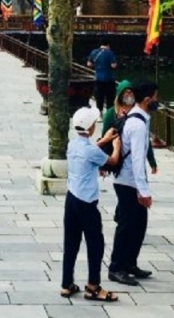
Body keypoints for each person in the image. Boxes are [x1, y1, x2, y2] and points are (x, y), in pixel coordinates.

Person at [60, 107, 119, 303]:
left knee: (71, 242)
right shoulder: (92, 150)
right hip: (87, 202)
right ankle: (93, 286)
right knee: (95, 243)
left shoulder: (72, 145)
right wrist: (116, 144)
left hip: (71, 199)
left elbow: (90, 154)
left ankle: (66, 283)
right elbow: (111, 160)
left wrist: (103, 141)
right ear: (92, 127)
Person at [106, 81, 160, 286]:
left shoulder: (140, 118)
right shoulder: (137, 124)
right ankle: (116, 267)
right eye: (155, 98)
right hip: (128, 181)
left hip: (131, 181)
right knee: (127, 225)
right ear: (147, 100)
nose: (157, 101)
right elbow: (137, 160)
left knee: (139, 225)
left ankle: (130, 263)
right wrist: (143, 191)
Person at [102, 81, 157, 175]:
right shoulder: (111, 114)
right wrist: (103, 164)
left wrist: (152, 162)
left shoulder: (139, 113)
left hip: (136, 154)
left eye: (131, 92)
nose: (129, 94)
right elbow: (104, 138)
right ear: (120, 95)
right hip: (119, 155)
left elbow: (146, 138)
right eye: (126, 92)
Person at [87, 39, 118, 112]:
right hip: (109, 78)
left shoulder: (94, 52)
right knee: (110, 98)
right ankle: (109, 113)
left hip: (98, 78)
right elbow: (113, 65)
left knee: (99, 97)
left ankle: (99, 114)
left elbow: (89, 64)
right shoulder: (110, 53)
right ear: (108, 45)